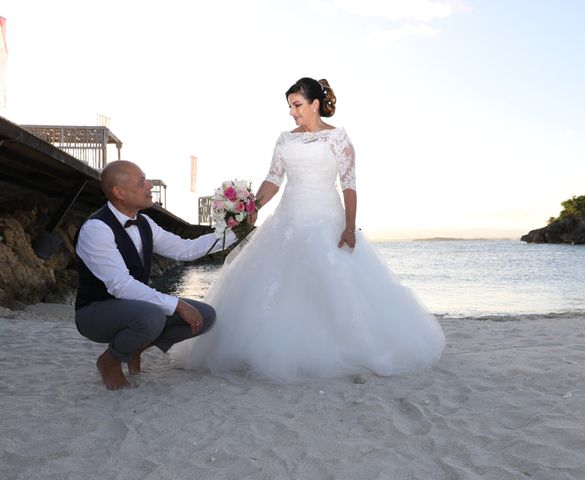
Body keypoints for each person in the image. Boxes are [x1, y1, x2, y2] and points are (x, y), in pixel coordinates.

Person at [171, 77, 445, 382]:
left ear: (315, 104)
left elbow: (349, 186)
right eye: (290, 106)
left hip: (326, 218)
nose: (292, 112)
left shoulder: (338, 138)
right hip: (288, 218)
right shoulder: (285, 140)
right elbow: (273, 179)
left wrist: (350, 227)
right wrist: (249, 209)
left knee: (335, 283)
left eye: (297, 105)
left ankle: (345, 346)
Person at [74, 160, 237, 390]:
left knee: (205, 316)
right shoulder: (97, 229)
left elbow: (186, 249)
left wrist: (235, 231)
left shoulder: (144, 222)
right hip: (95, 312)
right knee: (153, 316)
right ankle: (109, 361)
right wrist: (178, 304)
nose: (149, 185)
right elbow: (120, 285)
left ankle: (132, 350)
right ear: (119, 192)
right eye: (141, 182)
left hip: (135, 307)